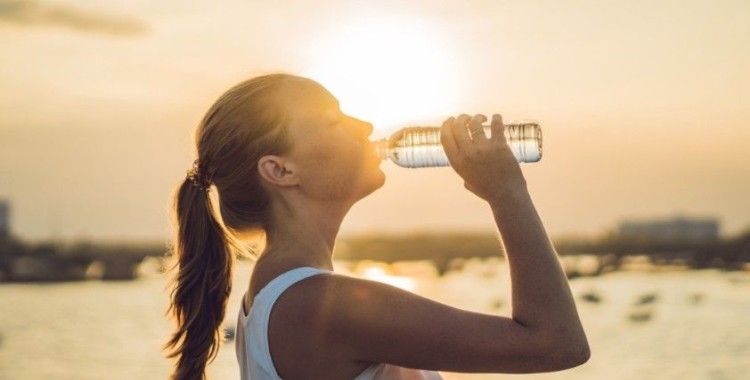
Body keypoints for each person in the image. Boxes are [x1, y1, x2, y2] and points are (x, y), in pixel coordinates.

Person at [163, 73, 590, 380]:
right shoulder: (316, 304)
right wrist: (507, 193)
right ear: (280, 170)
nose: (364, 127)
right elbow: (556, 342)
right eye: (333, 121)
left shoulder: (277, 296)